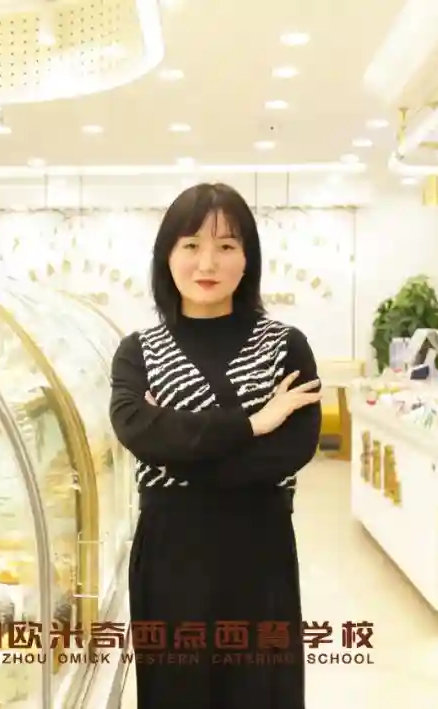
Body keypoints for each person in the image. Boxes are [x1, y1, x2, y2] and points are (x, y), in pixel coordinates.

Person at [109, 183, 322, 708]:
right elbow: (136, 430)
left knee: (261, 692)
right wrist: (253, 424)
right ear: (167, 256)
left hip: (260, 548)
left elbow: (293, 448)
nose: (208, 262)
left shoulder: (285, 345)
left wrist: (176, 445)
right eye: (191, 245)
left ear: (248, 259)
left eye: (227, 245)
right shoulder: (138, 351)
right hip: (170, 551)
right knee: (174, 692)